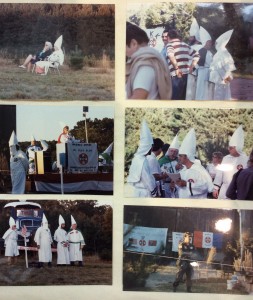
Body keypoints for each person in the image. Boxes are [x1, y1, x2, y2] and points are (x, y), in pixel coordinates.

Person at [125, 22, 172, 100]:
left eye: (124, 46)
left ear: (133, 44)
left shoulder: (145, 64)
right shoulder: (151, 57)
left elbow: (138, 97)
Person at [213, 125, 248, 199]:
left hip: (238, 191)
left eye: (231, 148)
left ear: (237, 148)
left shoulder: (246, 160)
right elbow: (220, 173)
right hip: (225, 189)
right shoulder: (226, 158)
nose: (228, 149)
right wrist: (216, 188)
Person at [176, 128, 213, 198]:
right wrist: (175, 185)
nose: (179, 158)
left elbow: (204, 187)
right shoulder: (182, 170)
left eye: (180, 156)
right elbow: (181, 189)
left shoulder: (199, 170)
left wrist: (186, 184)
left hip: (196, 204)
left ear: (186, 156)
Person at [127, 119, 158, 197]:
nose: (152, 149)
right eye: (151, 146)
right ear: (148, 147)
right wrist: (154, 191)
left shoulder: (136, 158)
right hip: (145, 192)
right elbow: (147, 178)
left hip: (137, 191)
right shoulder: (142, 161)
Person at [166, 29, 200, 100]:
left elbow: (170, 55)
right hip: (186, 75)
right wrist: (192, 66)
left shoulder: (170, 45)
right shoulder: (186, 45)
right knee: (183, 97)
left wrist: (176, 68)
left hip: (176, 74)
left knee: (175, 97)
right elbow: (197, 55)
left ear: (168, 37)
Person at [209, 29, 236, 100]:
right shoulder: (219, 52)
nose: (215, 45)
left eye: (216, 43)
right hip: (217, 78)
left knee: (221, 94)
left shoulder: (223, 53)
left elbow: (228, 67)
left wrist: (226, 79)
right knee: (218, 93)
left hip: (222, 78)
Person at [194, 26, 213, 100]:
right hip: (203, 71)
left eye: (211, 42)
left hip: (207, 71)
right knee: (201, 87)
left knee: (205, 87)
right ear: (205, 42)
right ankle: (199, 99)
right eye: (209, 42)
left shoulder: (209, 52)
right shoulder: (202, 50)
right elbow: (199, 62)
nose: (210, 44)